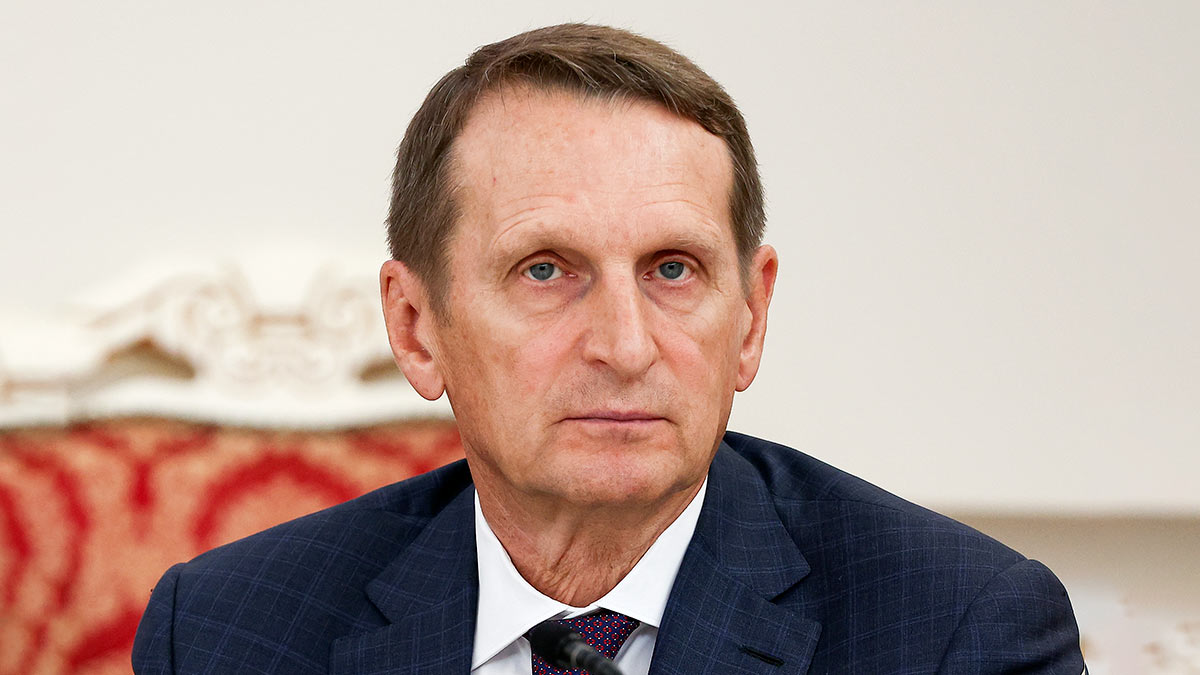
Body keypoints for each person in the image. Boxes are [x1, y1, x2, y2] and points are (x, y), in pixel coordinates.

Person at [133, 23, 1085, 674]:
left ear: (750, 319)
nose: (626, 346)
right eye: (546, 270)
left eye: (673, 269)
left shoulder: (957, 631)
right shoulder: (227, 634)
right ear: (417, 328)